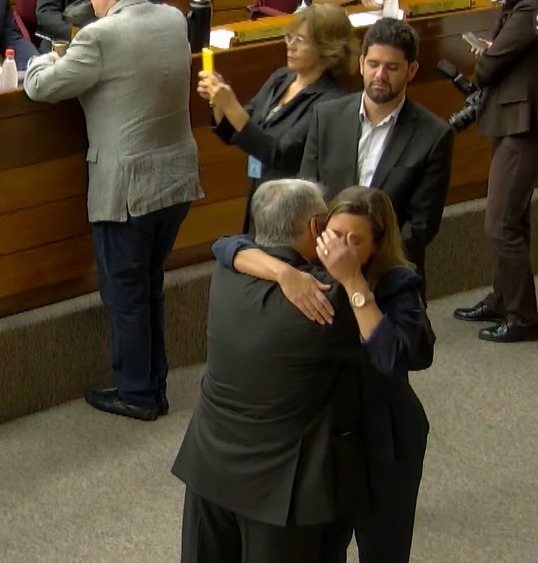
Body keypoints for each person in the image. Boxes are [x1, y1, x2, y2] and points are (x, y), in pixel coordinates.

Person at [212, 186, 431, 563]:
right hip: (330, 444)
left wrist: (354, 284)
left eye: (355, 240)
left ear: (377, 245)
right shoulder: (307, 271)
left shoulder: (397, 284)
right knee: (324, 548)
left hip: (384, 439)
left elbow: (399, 357)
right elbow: (226, 246)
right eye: (335, 235)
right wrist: (282, 272)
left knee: (383, 549)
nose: (341, 248)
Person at [172, 179, 371, 563]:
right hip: (281, 488)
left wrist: (280, 271)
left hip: (211, 465)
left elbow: (226, 245)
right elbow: (396, 349)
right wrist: (353, 278)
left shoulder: (227, 273)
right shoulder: (328, 301)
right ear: (317, 227)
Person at [24, 0, 203, 421]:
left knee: (125, 294)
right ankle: (152, 386)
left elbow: (41, 87)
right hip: (175, 181)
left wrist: (40, 60)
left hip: (128, 190)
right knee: (148, 284)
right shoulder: (173, 18)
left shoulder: (101, 37)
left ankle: (137, 394)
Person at [299, 18, 454, 293]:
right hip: (324, 272)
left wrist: (362, 263)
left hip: (390, 277)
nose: (380, 75)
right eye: (373, 64)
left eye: (392, 67)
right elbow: (308, 196)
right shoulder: (326, 117)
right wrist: (330, 258)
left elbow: (421, 226)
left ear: (412, 70)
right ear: (361, 64)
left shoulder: (434, 135)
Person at [197, 4, 358, 234]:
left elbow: (281, 154)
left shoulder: (330, 101)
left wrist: (230, 104)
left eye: (300, 40)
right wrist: (218, 100)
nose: (290, 45)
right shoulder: (282, 78)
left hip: (291, 210)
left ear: (327, 48)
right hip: (259, 194)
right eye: (289, 36)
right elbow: (241, 126)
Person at [453, 0, 538, 342]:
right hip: (508, 119)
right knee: (512, 220)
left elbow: (488, 68)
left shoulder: (529, 7)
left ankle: (524, 316)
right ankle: (503, 298)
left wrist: (486, 55)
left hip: (524, 123)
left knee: (500, 223)